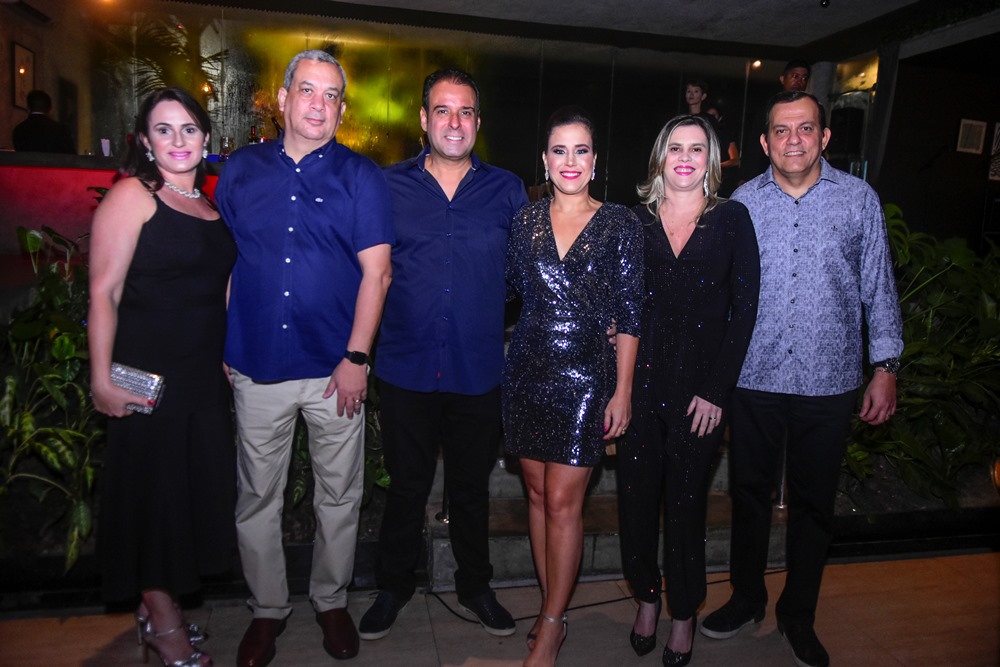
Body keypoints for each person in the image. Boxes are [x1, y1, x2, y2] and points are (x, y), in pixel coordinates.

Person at [700, 91, 903, 667]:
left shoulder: (858, 200)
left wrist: (886, 367)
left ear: (824, 137)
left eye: (806, 128)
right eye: (782, 131)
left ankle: (798, 615)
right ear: (765, 142)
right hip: (754, 378)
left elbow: (878, 286)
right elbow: (721, 292)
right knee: (748, 497)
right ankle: (746, 598)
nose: (794, 140)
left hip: (830, 381)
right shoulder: (742, 203)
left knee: (814, 506)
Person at [216, 50, 394, 666]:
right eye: (308, 90)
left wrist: (357, 358)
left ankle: (330, 600)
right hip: (257, 364)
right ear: (283, 98)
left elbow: (377, 274)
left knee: (339, 495)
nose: (319, 104)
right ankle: (267, 610)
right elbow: (229, 262)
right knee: (256, 498)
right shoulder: (240, 171)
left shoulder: (361, 177)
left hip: (333, 370)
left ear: (342, 110)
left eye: (331, 95)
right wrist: (227, 343)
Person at [359, 68, 527, 641]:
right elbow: (367, 271)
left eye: (466, 111)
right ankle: (393, 586)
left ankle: (475, 587)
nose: (454, 122)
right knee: (406, 486)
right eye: (443, 110)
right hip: (404, 366)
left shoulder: (507, 189)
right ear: (424, 119)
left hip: (477, 368)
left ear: (478, 121)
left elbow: (525, 274)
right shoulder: (387, 186)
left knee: (471, 491)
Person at [89, 86, 235, 667]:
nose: (179, 140)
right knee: (151, 501)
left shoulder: (209, 205)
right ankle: (164, 623)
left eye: (189, 129)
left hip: (201, 378)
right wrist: (101, 379)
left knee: (184, 500)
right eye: (164, 129)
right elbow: (104, 292)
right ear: (145, 142)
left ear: (206, 137)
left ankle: (159, 606)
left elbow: (217, 291)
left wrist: (228, 356)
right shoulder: (133, 195)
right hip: (147, 378)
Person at [617, 114, 760, 667]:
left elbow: (744, 310)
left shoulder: (732, 219)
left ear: (711, 160)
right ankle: (646, 598)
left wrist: (717, 390)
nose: (684, 157)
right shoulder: (634, 221)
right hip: (639, 386)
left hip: (700, 394)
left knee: (685, 506)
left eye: (696, 149)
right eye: (674, 147)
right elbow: (619, 302)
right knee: (635, 502)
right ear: (660, 157)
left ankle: (683, 613)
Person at [504, 106, 644, 667]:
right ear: (545, 159)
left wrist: (623, 390)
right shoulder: (524, 222)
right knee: (537, 496)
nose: (570, 161)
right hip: (527, 371)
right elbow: (509, 291)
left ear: (594, 160)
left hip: (587, 377)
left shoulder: (620, 223)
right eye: (559, 150)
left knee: (564, 502)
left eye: (580, 150)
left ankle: (552, 624)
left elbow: (630, 314)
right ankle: (550, 608)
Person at [739, 60, 811, 184]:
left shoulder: (811, 109)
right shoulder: (769, 107)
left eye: (804, 78)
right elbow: (754, 144)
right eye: (795, 76)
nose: (800, 82)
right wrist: (746, 176)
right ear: (783, 79)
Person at [12, 89, 75, 153]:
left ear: (28, 108)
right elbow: (71, 156)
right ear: (50, 110)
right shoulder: (61, 130)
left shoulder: (19, 130)